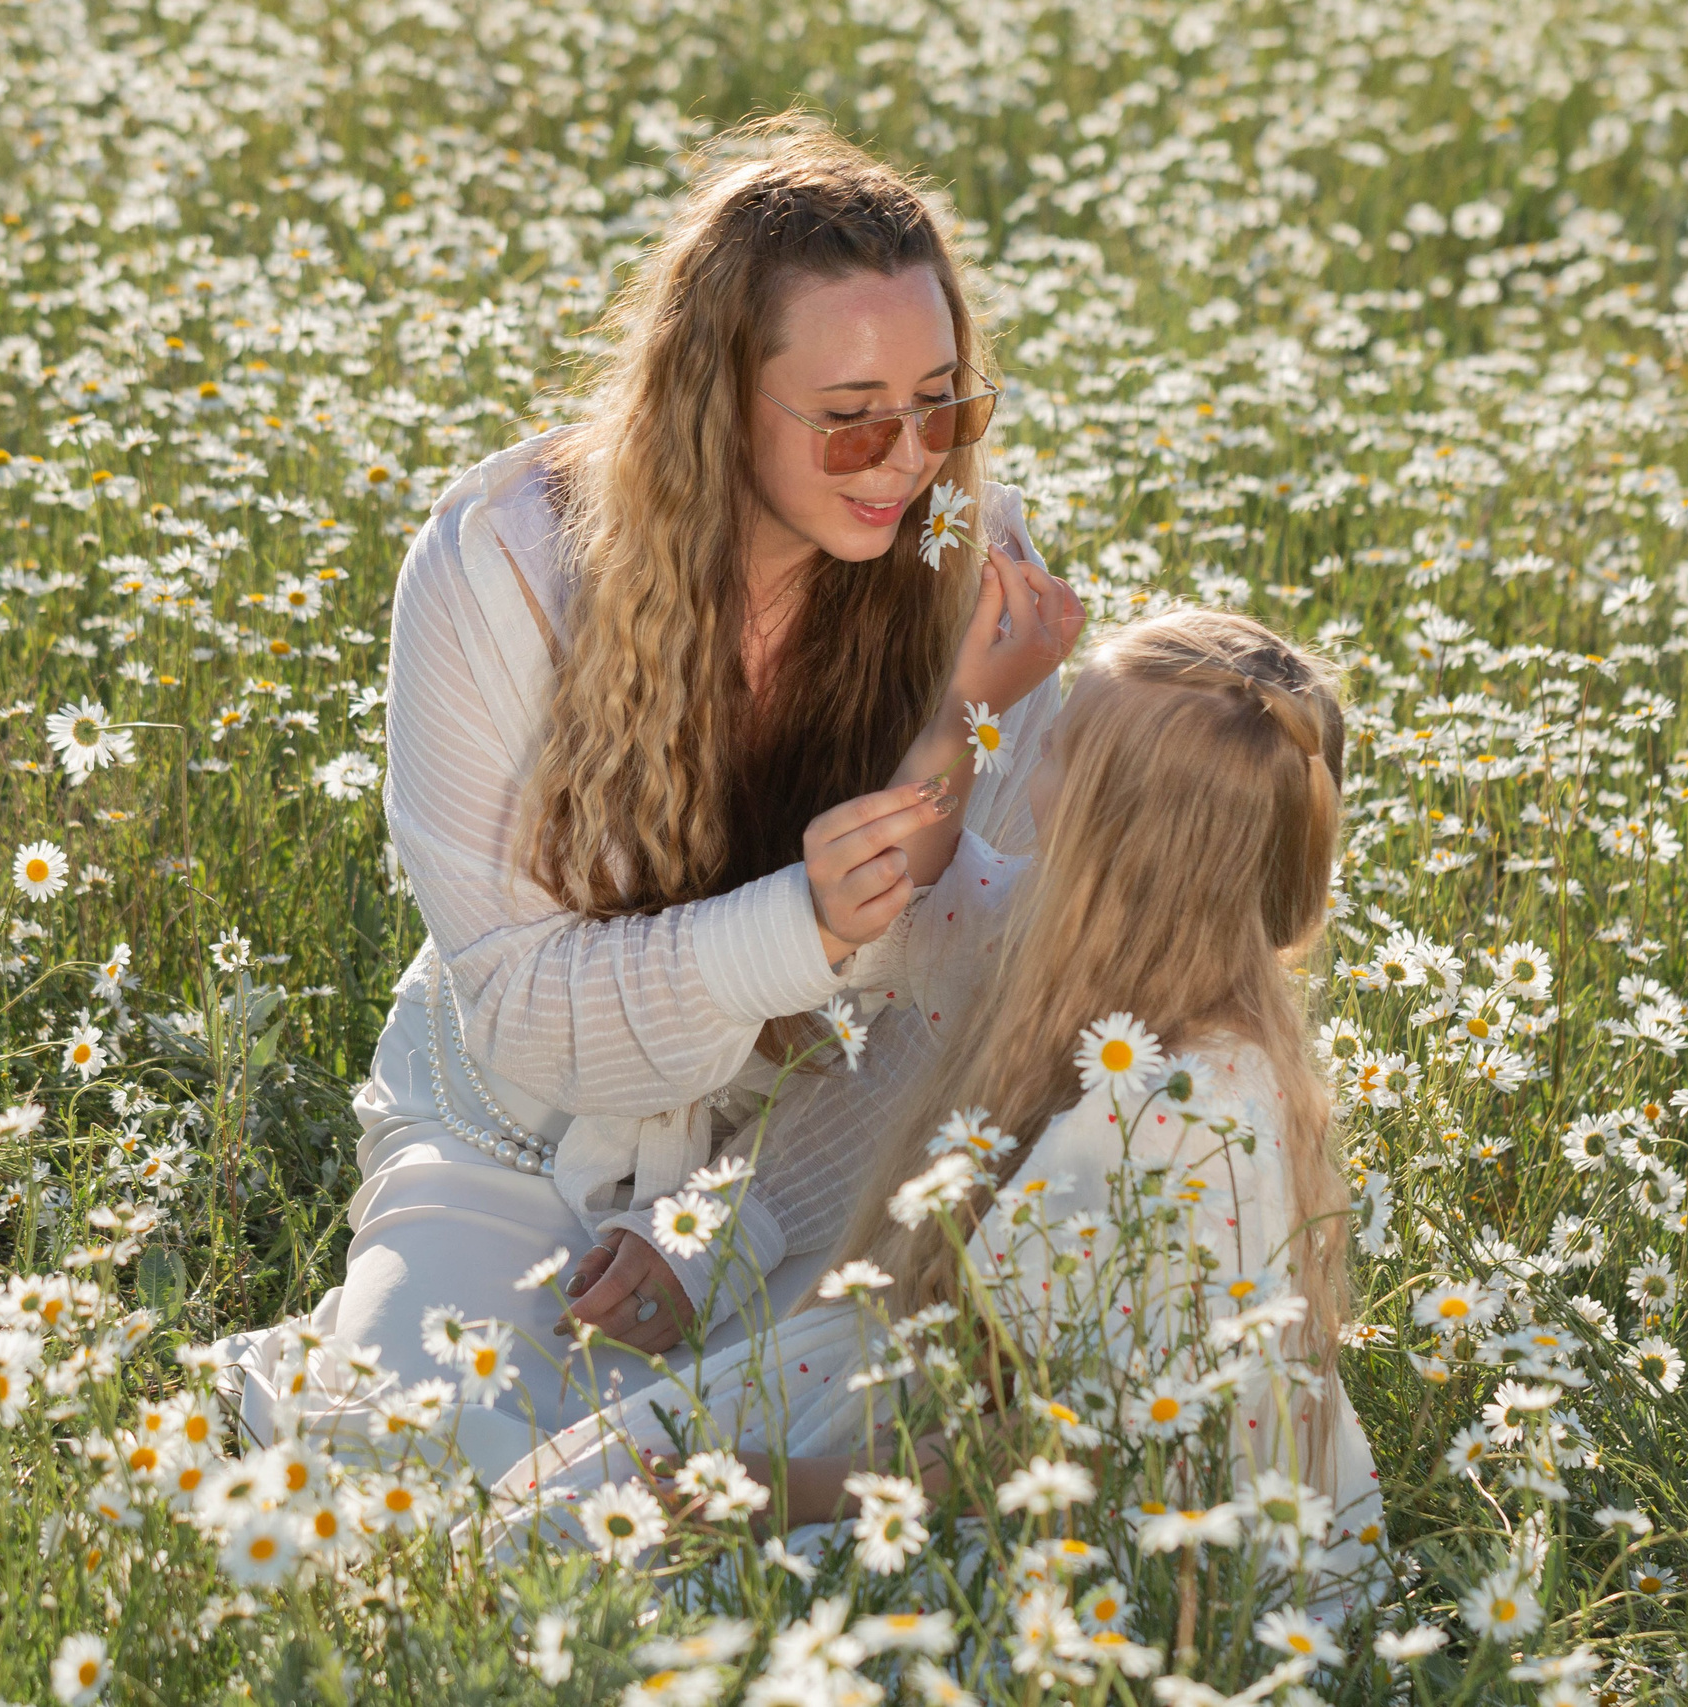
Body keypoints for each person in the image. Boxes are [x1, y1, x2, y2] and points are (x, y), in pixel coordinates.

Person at [217, 117, 1085, 1473]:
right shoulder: (501, 567)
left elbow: (969, 993)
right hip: (520, 1131)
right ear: (714, 396)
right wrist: (794, 921)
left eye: (946, 402)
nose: (913, 461)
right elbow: (518, 992)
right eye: (852, 420)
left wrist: (717, 1221)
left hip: (814, 1171)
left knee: (838, 1460)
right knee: (414, 1467)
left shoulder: (978, 575)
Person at [489, 607, 1385, 1613]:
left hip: (1077, 1531)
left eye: (1053, 752)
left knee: (642, 1579)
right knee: (566, 1511)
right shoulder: (1050, 937)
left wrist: (777, 1491)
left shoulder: (1179, 1113)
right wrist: (964, 708)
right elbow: (918, 892)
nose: (1026, 767)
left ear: (1111, 831)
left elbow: (1068, 1454)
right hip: (949, 1406)